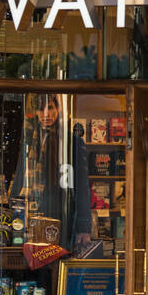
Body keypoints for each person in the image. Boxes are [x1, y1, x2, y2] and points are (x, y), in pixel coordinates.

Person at [12, 93, 92, 251]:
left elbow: (82, 186)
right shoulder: (30, 141)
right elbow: (21, 176)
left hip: (60, 213)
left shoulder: (72, 142)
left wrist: (83, 226)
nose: (46, 114)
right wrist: (12, 208)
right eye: (41, 109)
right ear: (36, 112)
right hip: (31, 212)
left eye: (50, 108)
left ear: (58, 108)